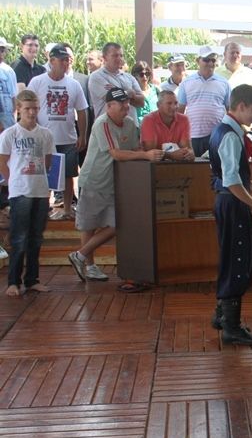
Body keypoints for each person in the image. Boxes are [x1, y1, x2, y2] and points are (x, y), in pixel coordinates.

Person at [68, 88, 162, 283]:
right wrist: (145, 155)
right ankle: (90, 266)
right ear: (109, 106)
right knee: (89, 225)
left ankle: (80, 255)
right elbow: (117, 153)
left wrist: (150, 151)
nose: (126, 107)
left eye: (127, 103)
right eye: (121, 104)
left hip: (115, 184)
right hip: (93, 181)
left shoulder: (129, 124)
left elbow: (134, 148)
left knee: (117, 223)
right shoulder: (102, 123)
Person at [208, 84, 252, 346]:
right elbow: (231, 181)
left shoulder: (223, 131)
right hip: (232, 203)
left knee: (238, 258)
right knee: (241, 260)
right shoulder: (231, 136)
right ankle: (231, 326)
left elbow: (228, 173)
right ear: (241, 106)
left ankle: (223, 313)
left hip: (228, 201)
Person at [0, 90, 54, 296]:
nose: (32, 113)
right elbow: (2, 161)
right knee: (19, 237)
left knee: (36, 237)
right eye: (27, 109)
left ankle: (32, 279)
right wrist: (12, 180)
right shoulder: (10, 134)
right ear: (19, 109)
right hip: (20, 191)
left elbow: (48, 161)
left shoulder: (45, 134)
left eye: (35, 108)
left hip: (40, 190)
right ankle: (13, 281)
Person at [27, 46, 88, 219]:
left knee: (69, 174)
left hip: (68, 138)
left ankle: (68, 209)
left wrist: (82, 135)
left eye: (67, 59)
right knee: (42, 174)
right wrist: (32, 131)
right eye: (61, 59)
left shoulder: (73, 84)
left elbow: (82, 110)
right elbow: (28, 106)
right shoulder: (37, 81)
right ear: (51, 60)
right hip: (43, 138)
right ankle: (43, 209)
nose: (65, 63)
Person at [177, 46, 230, 158]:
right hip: (193, 136)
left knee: (216, 169)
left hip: (216, 135)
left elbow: (230, 110)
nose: (210, 63)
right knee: (194, 170)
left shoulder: (224, 83)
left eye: (213, 60)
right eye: (206, 60)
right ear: (198, 61)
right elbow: (179, 112)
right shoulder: (186, 83)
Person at [87, 42, 145, 119]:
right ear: (104, 58)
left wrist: (119, 93)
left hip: (130, 127)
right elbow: (112, 99)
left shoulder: (129, 77)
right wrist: (129, 93)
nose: (119, 58)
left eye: (121, 55)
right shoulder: (96, 77)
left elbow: (141, 102)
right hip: (108, 127)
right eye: (115, 55)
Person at [141, 90, 195, 162]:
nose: (174, 107)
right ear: (158, 105)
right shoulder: (149, 120)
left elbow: (186, 148)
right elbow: (150, 151)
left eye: (176, 103)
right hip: (152, 166)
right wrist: (171, 155)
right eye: (169, 103)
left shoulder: (183, 119)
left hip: (176, 165)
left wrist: (189, 154)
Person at [0, 38, 17, 131]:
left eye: (3, 50)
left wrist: (14, 121)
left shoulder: (9, 71)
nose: (2, 53)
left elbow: (14, 98)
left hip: (8, 125)